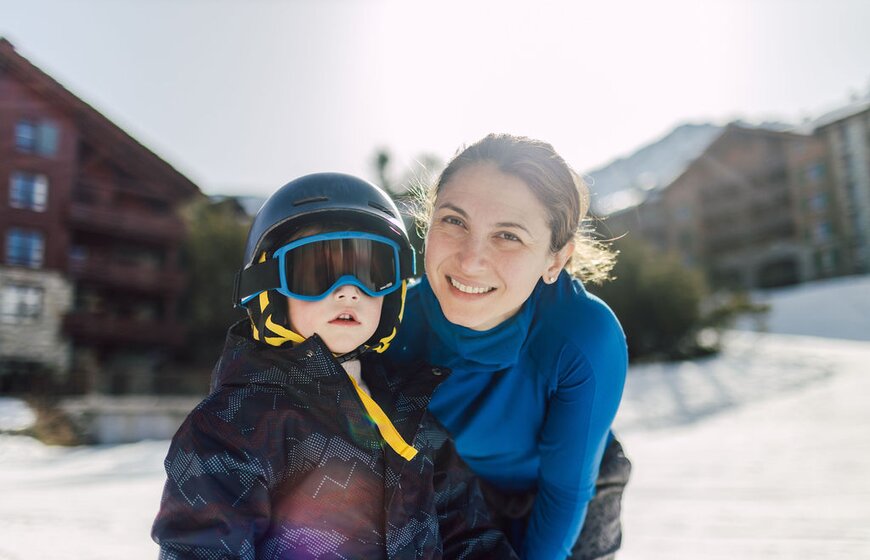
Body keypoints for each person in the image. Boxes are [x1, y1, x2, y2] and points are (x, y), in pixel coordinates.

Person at [152, 173, 518, 559]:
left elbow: (469, 537)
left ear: (393, 291)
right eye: (316, 272)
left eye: (370, 270)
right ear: (269, 289)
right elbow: (201, 548)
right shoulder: (233, 426)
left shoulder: (413, 418)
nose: (348, 290)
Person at [384, 134, 631, 560]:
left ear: (555, 260)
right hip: (463, 486)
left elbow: (566, 490)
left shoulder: (583, 337)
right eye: (454, 222)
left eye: (508, 236)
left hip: (569, 489)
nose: (470, 260)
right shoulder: (391, 324)